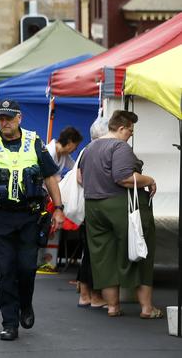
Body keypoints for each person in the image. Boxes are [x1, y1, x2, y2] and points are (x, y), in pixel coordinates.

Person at [0, 100, 64, 341]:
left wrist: (58, 208)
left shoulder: (34, 141)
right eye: (1, 118)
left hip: (29, 216)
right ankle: (9, 322)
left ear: (19, 118)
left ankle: (25, 305)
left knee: (27, 268)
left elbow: (50, 176)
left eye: (9, 117)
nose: (4, 122)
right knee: (6, 270)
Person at [79, 110, 161, 319]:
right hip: (121, 205)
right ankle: (146, 308)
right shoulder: (119, 146)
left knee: (103, 257)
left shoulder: (89, 148)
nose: (130, 135)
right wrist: (149, 179)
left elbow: (80, 178)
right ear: (121, 128)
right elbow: (124, 178)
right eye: (130, 131)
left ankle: (113, 307)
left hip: (93, 207)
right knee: (140, 251)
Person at [36, 126, 84, 274]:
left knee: (49, 229)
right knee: (41, 229)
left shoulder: (64, 156)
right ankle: (39, 261)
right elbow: (40, 175)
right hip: (40, 195)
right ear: (69, 142)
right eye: (75, 146)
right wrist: (55, 179)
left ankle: (46, 261)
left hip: (50, 196)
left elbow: (75, 167)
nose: (74, 150)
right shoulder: (48, 151)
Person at [76, 116, 108, 308]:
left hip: (87, 209)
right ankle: (93, 296)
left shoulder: (86, 150)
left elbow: (80, 177)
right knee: (94, 254)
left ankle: (86, 294)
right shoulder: (97, 151)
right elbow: (81, 178)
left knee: (88, 253)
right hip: (94, 208)